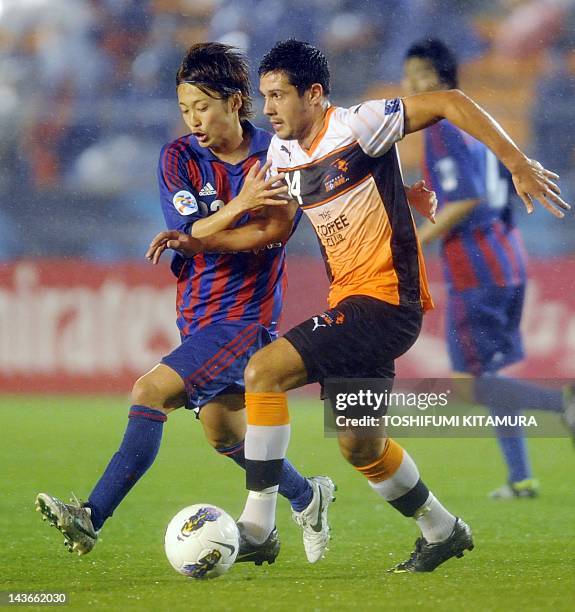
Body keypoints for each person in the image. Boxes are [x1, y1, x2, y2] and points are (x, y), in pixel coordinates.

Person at [146, 39, 568, 573]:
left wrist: (518, 162)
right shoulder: (280, 154)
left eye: (278, 96)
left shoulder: (361, 124)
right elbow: (275, 229)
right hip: (351, 300)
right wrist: (202, 242)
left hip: (388, 300)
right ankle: (442, 530)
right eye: (264, 96)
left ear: (315, 94)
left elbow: (449, 101)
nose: (268, 109)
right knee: (360, 445)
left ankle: (257, 525)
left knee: (263, 371)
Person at [35, 42, 338, 565]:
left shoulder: (277, 154)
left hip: (245, 318)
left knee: (149, 392)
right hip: (197, 315)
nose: (193, 120)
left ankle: (91, 515)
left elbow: (273, 233)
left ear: (235, 101)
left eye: (202, 107)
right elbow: (182, 228)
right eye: (184, 110)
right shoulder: (177, 156)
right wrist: (232, 210)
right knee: (222, 434)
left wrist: (206, 233)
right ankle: (308, 496)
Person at [403, 38, 575, 500]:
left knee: (469, 383)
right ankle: (521, 479)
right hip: (507, 260)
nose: (407, 85)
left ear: (434, 79)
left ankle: (561, 403)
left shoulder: (440, 128)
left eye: (414, 75)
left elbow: (466, 198)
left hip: (475, 270)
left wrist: (414, 242)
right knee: (494, 378)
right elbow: (502, 189)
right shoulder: (481, 124)